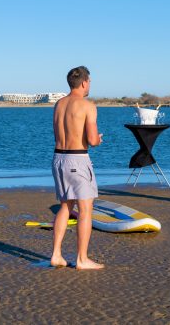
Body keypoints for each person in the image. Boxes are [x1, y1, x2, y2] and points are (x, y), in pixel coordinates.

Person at [50, 66, 104, 270]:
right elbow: (90, 139)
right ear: (83, 82)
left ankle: (56, 255)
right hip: (77, 160)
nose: (89, 85)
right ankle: (82, 259)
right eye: (89, 81)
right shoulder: (87, 105)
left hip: (58, 159)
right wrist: (98, 140)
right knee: (85, 210)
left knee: (65, 206)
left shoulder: (59, 104)